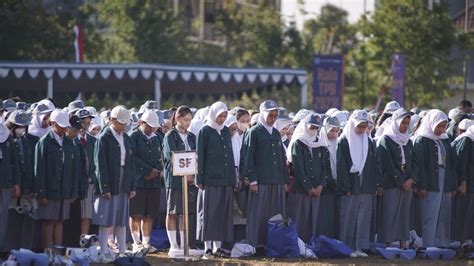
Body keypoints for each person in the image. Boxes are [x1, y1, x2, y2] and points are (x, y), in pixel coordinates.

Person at [241, 100, 289, 248]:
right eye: (270, 115)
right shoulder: (254, 132)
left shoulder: (275, 133)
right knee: (258, 214)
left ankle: (272, 244)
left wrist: (284, 181)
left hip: (276, 181)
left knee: (275, 213)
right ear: (263, 114)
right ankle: (255, 244)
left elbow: (282, 158)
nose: (272, 118)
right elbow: (248, 158)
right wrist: (253, 180)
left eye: (275, 116)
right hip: (260, 181)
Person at [93, 106, 136, 263]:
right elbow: (100, 165)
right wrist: (104, 187)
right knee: (106, 217)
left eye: (124, 124)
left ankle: (122, 251)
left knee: (121, 217)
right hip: (110, 179)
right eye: (120, 123)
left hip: (123, 179)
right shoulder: (103, 138)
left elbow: (130, 164)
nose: (123, 126)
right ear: (111, 120)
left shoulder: (127, 138)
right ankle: (103, 251)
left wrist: (131, 185)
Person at [196, 102, 235, 258]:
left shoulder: (225, 131)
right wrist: (200, 178)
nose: (222, 118)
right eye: (220, 115)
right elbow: (200, 157)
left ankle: (218, 247)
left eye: (225, 115)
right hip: (210, 180)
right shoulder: (204, 132)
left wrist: (233, 177)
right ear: (213, 114)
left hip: (225, 180)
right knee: (208, 214)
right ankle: (207, 248)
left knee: (221, 214)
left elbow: (229, 155)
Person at [337, 110, 378, 257]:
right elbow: (341, 167)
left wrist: (374, 185)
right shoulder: (344, 140)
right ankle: (347, 247)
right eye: (359, 126)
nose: (361, 130)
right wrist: (345, 186)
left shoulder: (368, 141)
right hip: (351, 186)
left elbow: (374, 164)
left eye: (364, 126)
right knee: (348, 216)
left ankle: (360, 247)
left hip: (365, 185)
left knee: (363, 216)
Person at [414, 109, 457, 248]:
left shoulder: (444, 140)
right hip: (431, 179)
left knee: (443, 211)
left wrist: (451, 185)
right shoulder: (422, 139)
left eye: (443, 126)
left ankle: (441, 242)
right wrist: (422, 185)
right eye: (438, 126)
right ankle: (428, 244)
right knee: (430, 212)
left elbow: (450, 163)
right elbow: (420, 165)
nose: (441, 129)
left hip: (444, 178)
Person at [34, 109, 77, 249]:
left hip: (64, 189)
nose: (64, 128)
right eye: (60, 125)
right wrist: (41, 192)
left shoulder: (69, 143)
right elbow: (39, 169)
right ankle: (47, 253)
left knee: (60, 221)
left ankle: (57, 252)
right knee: (48, 222)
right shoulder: (44, 142)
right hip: (49, 189)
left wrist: (72, 191)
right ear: (52, 123)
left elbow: (72, 169)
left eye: (65, 125)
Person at [377, 109, 415, 249]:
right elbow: (387, 163)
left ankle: (403, 244)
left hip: (407, 182)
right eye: (403, 123)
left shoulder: (408, 140)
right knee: (390, 213)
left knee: (404, 214)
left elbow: (414, 162)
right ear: (396, 122)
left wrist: (411, 179)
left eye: (407, 123)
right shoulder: (386, 139)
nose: (405, 126)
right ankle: (388, 244)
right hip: (391, 183)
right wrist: (401, 181)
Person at [286, 113, 326, 243]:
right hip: (301, 189)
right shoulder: (298, 142)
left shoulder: (320, 144)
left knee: (313, 220)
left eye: (316, 127)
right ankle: (296, 245)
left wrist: (320, 185)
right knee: (299, 219)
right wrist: (308, 187)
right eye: (311, 126)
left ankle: (310, 246)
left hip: (317, 190)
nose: (313, 130)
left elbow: (324, 167)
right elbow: (298, 168)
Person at [162, 106, 197, 254]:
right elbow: (171, 156)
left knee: (185, 212)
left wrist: (192, 175)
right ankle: (173, 244)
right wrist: (185, 173)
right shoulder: (170, 136)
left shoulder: (192, 136)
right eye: (185, 119)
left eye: (190, 120)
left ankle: (184, 243)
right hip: (175, 180)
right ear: (178, 118)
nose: (188, 123)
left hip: (190, 180)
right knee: (172, 211)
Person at [129, 110, 163, 253]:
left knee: (150, 214)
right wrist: (147, 171)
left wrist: (157, 171)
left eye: (154, 127)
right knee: (136, 213)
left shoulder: (158, 138)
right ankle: (136, 242)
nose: (152, 129)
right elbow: (133, 158)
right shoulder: (134, 136)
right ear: (142, 123)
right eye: (149, 126)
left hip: (154, 182)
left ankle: (146, 242)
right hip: (138, 181)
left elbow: (162, 156)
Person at [316, 115, 341, 239]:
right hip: (326, 186)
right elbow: (323, 168)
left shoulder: (338, 144)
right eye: (331, 130)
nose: (334, 134)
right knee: (324, 215)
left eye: (336, 131)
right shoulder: (320, 145)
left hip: (336, 185)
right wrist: (330, 182)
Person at [0, 117, 20, 254]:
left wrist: (16, 183)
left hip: (5, 183)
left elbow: (15, 161)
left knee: (2, 219)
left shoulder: (6, 137)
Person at [452, 125, 474, 244]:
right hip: (467, 185)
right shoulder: (467, 140)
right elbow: (462, 163)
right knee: (463, 215)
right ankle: (459, 243)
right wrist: (463, 182)